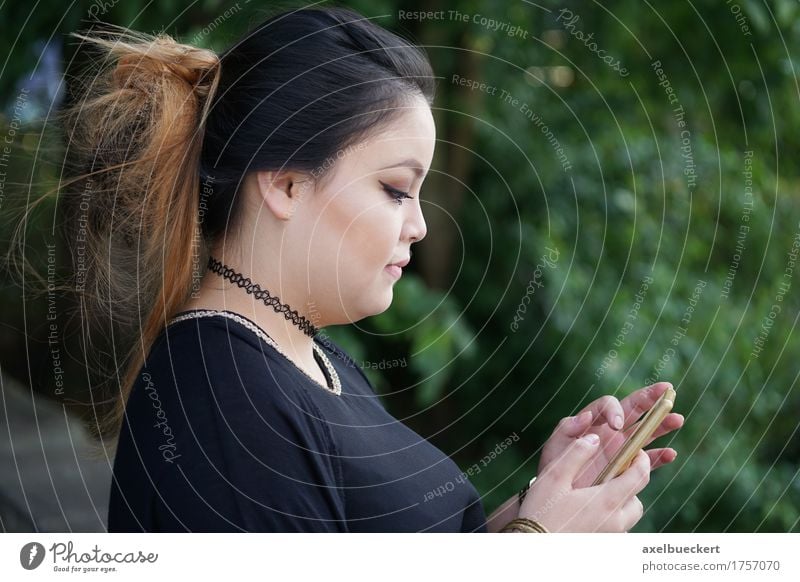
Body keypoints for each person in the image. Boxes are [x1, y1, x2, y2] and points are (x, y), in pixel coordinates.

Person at [54, 6, 683, 532]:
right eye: (394, 188)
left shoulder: (318, 362)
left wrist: (547, 502)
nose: (420, 225)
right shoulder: (220, 400)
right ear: (288, 184)